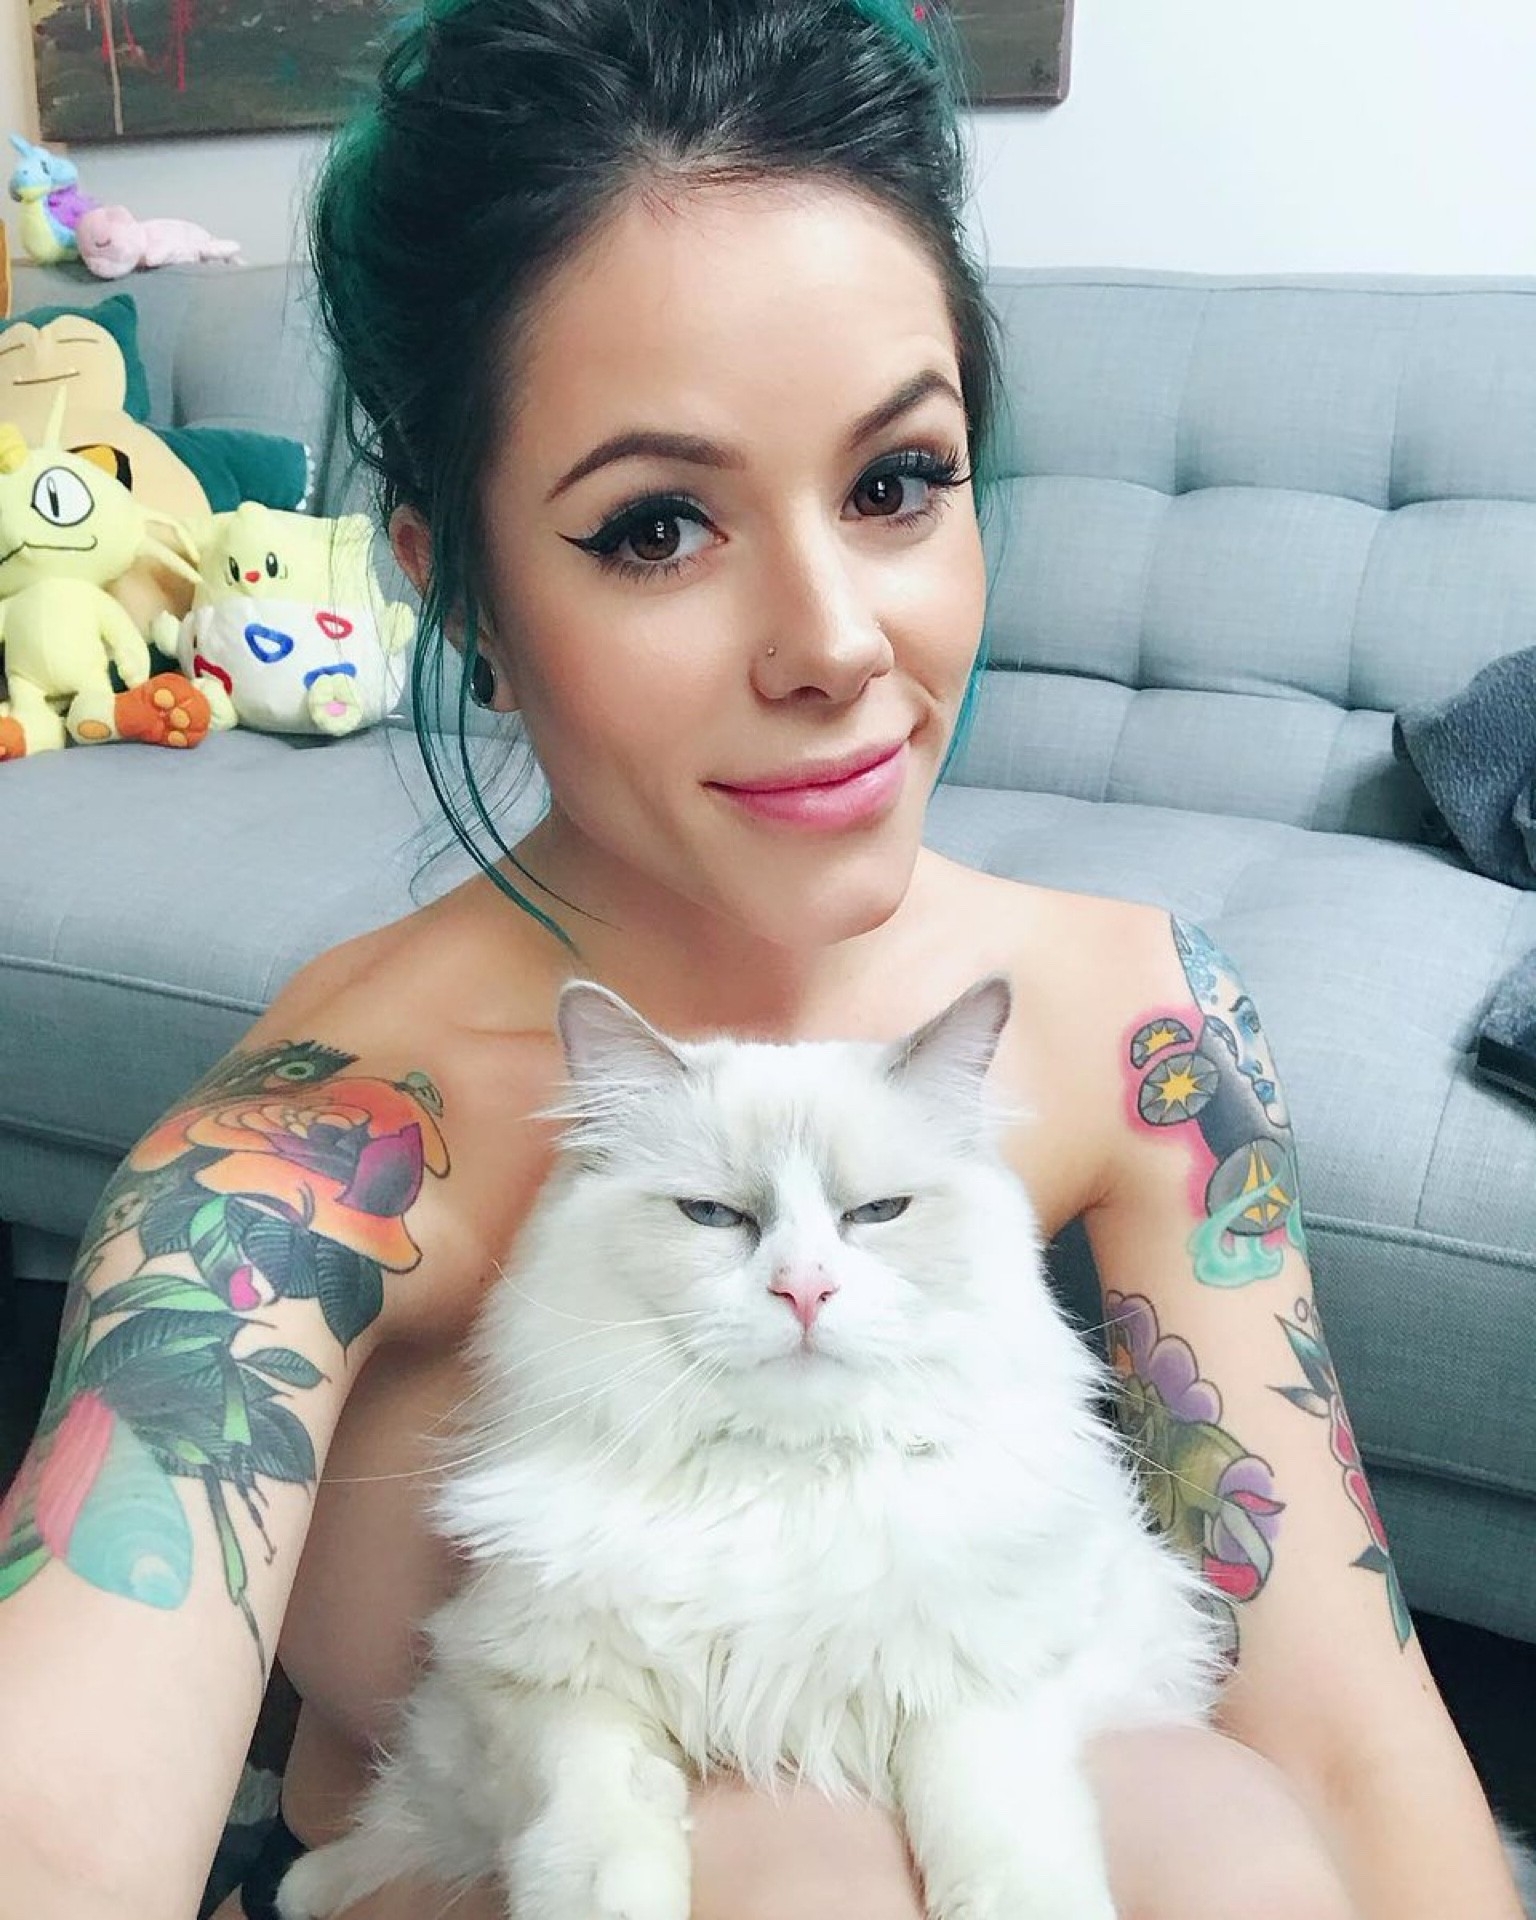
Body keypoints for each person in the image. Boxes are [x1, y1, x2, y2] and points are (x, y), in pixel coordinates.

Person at [0, 2, 1525, 1916]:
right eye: (657, 527)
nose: (837, 644)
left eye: (898, 483)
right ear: (453, 588)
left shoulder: (1140, 1018)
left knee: (1231, 1852)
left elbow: (1343, 1728)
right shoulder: (307, 1162)